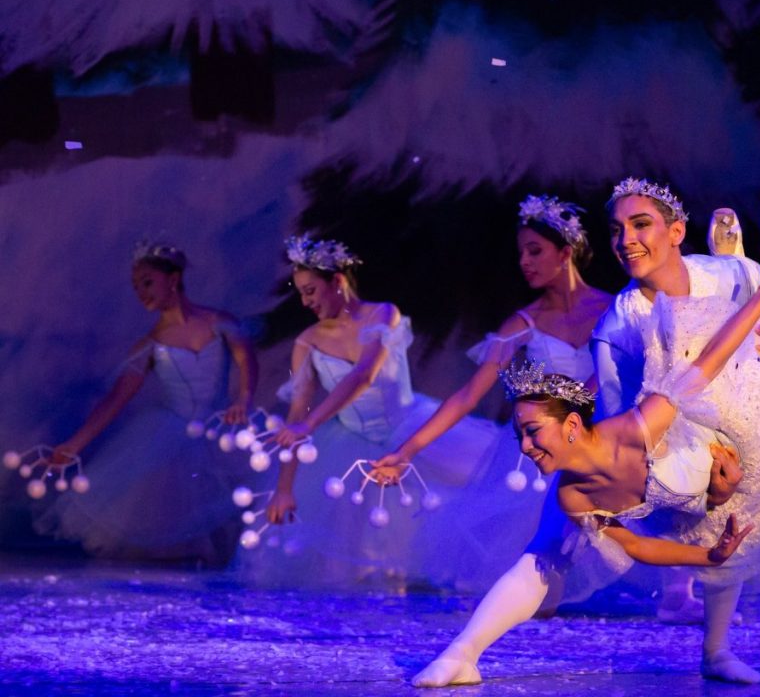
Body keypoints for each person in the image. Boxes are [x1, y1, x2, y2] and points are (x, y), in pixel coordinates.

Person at [412, 54, 760, 687]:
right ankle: (462, 652)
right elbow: (624, 411)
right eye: (617, 230)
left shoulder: (725, 273)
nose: (626, 240)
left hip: (759, 398)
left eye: (640, 225)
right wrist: (678, 483)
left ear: (674, 231)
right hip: (673, 433)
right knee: (557, 543)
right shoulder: (622, 318)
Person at [369, 196, 613, 589]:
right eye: (521, 254)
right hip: (545, 446)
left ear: (566, 252)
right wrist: (406, 451)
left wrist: (586, 401)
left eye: (535, 251)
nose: (525, 263)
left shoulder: (613, 309)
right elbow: (468, 395)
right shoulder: (522, 323)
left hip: (601, 437)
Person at [254, 235, 500, 589]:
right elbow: (297, 414)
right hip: (349, 444)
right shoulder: (308, 341)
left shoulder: (383, 314)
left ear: (337, 282)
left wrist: (310, 421)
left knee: (431, 529)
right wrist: (284, 487)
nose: (305, 301)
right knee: (352, 565)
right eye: (301, 293)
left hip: (407, 428)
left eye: (311, 290)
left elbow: (363, 374)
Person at [35, 240, 258, 566]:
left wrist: (243, 398)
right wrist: (73, 445)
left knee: (232, 516)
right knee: (174, 530)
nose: (141, 292)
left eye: (147, 282)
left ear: (174, 277)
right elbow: (116, 400)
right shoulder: (150, 345)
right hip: (169, 437)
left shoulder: (217, 321)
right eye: (137, 286)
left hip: (220, 429)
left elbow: (246, 359)